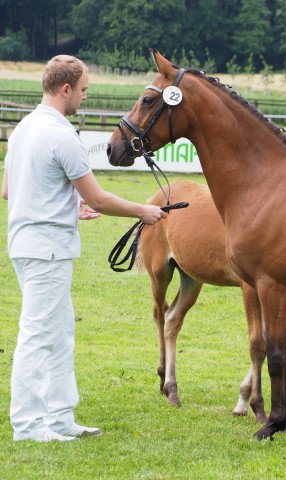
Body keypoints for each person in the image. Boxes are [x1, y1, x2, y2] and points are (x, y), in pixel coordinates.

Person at [1, 55, 166, 442]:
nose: (85, 97)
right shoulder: (61, 135)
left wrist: (68, 205)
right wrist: (143, 210)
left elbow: (10, 189)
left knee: (58, 333)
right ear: (65, 89)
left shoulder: (23, 129)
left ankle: (59, 417)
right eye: (84, 90)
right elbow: (101, 198)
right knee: (39, 334)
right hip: (47, 249)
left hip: (29, 244)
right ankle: (28, 424)